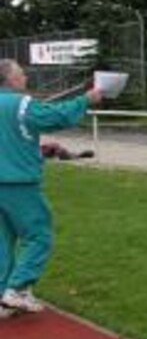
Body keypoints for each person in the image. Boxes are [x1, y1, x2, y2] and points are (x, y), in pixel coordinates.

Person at [0, 60, 102, 318]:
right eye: (21, 74)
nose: (25, 78)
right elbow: (55, 117)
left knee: (3, 242)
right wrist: (85, 100)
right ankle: (17, 289)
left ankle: (3, 296)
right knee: (40, 236)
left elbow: (9, 140)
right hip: (19, 184)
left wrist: (41, 150)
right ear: (9, 79)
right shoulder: (21, 103)